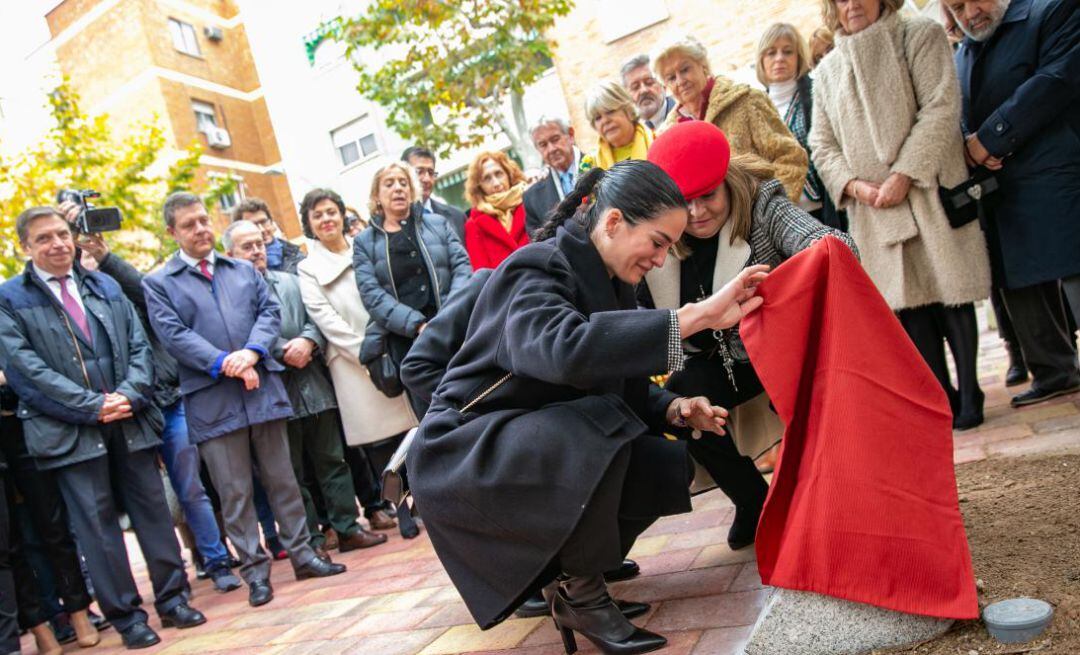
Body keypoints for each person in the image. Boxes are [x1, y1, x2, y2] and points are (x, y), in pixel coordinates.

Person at [408, 159, 769, 654]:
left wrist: (676, 408)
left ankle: (573, 577)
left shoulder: (614, 282)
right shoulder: (534, 265)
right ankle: (580, 593)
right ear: (614, 222)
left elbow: (622, 382)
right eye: (658, 242)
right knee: (600, 428)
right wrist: (691, 318)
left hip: (530, 441)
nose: (662, 260)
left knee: (661, 464)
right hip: (464, 452)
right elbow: (566, 350)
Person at [643, 121, 856, 548]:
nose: (699, 211)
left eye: (709, 195)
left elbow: (832, 244)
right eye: (686, 201)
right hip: (710, 361)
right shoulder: (655, 231)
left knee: (807, 400)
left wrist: (784, 289)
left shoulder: (763, 203)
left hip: (781, 351)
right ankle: (753, 502)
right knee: (681, 400)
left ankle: (831, 499)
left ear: (728, 182)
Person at [0, 207, 204, 649]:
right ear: (25, 247)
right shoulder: (10, 299)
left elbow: (139, 345)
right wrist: (92, 407)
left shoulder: (104, 284)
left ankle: (173, 601)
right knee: (97, 530)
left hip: (128, 417)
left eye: (62, 234)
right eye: (43, 238)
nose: (56, 244)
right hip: (70, 431)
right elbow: (25, 370)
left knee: (153, 513)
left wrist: (129, 394)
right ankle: (127, 616)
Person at [143, 192, 346, 610]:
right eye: (188, 225)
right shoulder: (159, 284)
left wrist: (252, 353)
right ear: (172, 233)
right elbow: (174, 336)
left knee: (283, 477)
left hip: (261, 388)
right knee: (234, 491)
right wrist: (225, 363)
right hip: (214, 398)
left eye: (203, 220)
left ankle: (305, 555)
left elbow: (268, 312)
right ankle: (255, 571)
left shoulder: (241, 270)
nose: (200, 229)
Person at [809, 0, 992, 429]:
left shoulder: (918, 35)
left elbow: (941, 107)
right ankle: (940, 394)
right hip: (872, 206)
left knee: (951, 289)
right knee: (908, 302)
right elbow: (822, 143)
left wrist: (905, 173)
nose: (852, 5)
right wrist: (854, 186)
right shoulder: (828, 70)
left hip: (928, 187)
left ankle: (970, 389)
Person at [70, 229, 243, 594]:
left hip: (168, 401)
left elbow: (142, 289)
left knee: (191, 489)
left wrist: (106, 257)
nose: (87, 262)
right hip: (125, 413)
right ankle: (174, 576)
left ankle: (217, 561)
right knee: (150, 501)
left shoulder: (124, 292)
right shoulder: (75, 306)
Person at [222, 220, 388, 553]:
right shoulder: (228, 296)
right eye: (247, 246)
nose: (257, 251)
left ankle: (347, 528)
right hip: (272, 391)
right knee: (292, 473)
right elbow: (238, 335)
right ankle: (311, 538)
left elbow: (316, 314)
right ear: (229, 254)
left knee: (333, 459)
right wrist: (283, 349)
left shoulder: (291, 281)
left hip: (313, 384)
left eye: (260, 243)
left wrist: (308, 341)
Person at [949, 0, 1080, 407]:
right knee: (1017, 279)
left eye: (975, 0)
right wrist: (971, 145)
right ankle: (1054, 370)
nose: (970, 13)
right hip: (1001, 185)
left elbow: (1052, 83)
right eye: (957, 8)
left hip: (1057, 170)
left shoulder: (1053, 10)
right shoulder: (964, 50)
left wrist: (989, 138)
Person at [296, 188, 419, 537]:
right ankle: (402, 511)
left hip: (387, 347)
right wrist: (363, 350)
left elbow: (382, 293)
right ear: (309, 223)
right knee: (379, 443)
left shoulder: (362, 247)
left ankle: (420, 501)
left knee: (406, 432)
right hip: (350, 361)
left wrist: (382, 340)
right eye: (317, 214)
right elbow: (323, 317)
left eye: (331, 211)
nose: (326, 219)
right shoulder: (307, 268)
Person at [652, 34, 809, 202]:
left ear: (703, 65)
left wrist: (771, 210)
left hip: (763, 216)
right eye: (671, 77)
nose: (680, 80)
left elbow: (791, 157)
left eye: (685, 69)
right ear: (665, 85)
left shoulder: (746, 100)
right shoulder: (668, 134)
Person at [757, 22, 846, 231]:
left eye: (788, 52)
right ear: (761, 60)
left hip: (830, 208)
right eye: (771, 53)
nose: (779, 58)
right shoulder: (754, 106)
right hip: (787, 222)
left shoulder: (818, 92)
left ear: (799, 58)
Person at [523, 116, 592, 237]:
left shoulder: (600, 165)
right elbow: (540, 245)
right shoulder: (532, 199)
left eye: (555, 139)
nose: (551, 149)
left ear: (570, 135)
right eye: (543, 145)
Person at [463, 151, 530, 269]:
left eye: (499, 174)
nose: (496, 183)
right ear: (479, 187)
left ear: (509, 174)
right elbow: (482, 273)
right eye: (487, 179)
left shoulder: (531, 203)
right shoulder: (473, 225)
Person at [403, 145, 468, 240]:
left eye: (431, 172)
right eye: (419, 172)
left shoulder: (457, 217)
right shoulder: (393, 222)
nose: (427, 179)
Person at [586, 80, 654, 169]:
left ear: (629, 111)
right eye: (598, 118)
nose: (605, 121)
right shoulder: (590, 164)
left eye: (610, 112)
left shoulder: (656, 142)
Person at [233, 198, 304, 274]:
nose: (262, 230)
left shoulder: (297, 257)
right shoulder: (239, 271)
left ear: (271, 222)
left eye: (264, 222)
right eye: (253, 225)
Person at [620, 54, 676, 130]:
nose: (644, 90)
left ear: (663, 84)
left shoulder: (685, 115)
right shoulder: (629, 132)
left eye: (649, 82)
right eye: (635, 87)